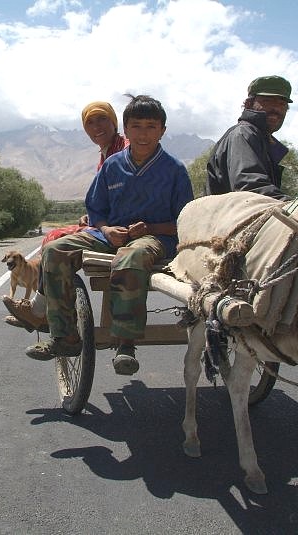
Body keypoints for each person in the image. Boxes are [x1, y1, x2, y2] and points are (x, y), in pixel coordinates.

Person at [25, 94, 194, 375]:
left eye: (151, 127)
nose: (143, 134)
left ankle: (125, 343)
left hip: (155, 239)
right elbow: (96, 210)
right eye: (136, 126)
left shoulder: (174, 170)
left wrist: (150, 228)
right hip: (110, 236)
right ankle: (64, 337)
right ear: (125, 130)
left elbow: (185, 221)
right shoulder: (113, 165)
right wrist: (105, 229)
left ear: (162, 130)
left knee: (132, 256)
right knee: (56, 250)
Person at [3, 101, 129, 333]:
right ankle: (46, 310)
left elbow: (125, 197)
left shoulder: (123, 150)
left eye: (102, 119)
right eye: (90, 122)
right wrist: (91, 215)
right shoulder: (108, 151)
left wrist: (97, 218)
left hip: (118, 228)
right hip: (106, 223)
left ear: (114, 122)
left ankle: (43, 313)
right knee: (52, 237)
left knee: (54, 238)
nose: (96, 126)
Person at [206, 75, 293, 200]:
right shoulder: (243, 134)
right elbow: (249, 185)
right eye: (267, 101)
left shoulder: (262, 140)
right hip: (232, 218)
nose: (276, 108)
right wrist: (290, 206)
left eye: (282, 104)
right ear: (248, 104)